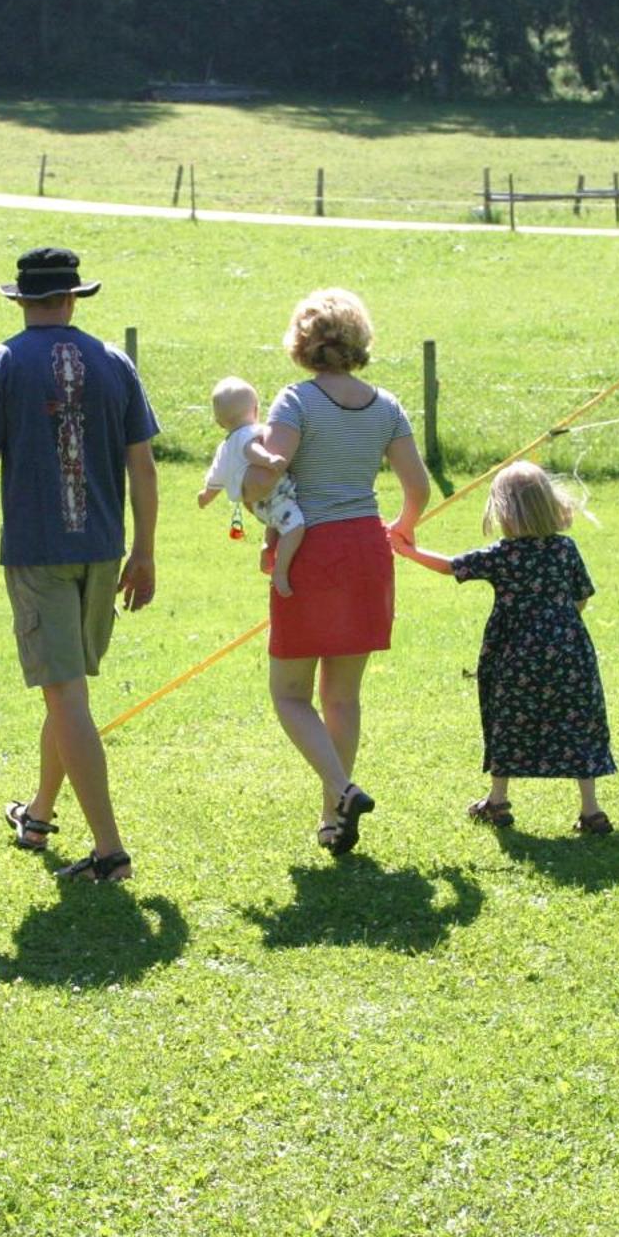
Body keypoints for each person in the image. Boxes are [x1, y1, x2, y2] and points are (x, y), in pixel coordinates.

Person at [0, 247, 158, 883]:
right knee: (67, 688)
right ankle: (40, 813)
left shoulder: (0, 364)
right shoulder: (114, 363)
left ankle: (110, 853)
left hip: (37, 551)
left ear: (22, 301)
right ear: (75, 297)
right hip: (104, 550)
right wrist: (146, 551)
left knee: (66, 693)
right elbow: (143, 465)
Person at [245, 288, 430, 854]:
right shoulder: (387, 406)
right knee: (343, 697)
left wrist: (244, 467)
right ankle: (333, 815)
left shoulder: (295, 402)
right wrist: (401, 526)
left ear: (303, 343)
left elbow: (262, 482)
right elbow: (417, 487)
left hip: (312, 552)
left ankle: (342, 790)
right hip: (366, 550)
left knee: (290, 693)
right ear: (359, 341)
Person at [390, 460, 618, 834]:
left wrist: (408, 550)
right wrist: (560, 623)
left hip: (514, 654)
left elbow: (452, 567)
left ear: (504, 511)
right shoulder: (565, 549)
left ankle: (498, 801)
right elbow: (582, 596)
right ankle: (591, 809)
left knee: (508, 719)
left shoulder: (504, 555)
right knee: (578, 720)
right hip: (570, 652)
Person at [197, 375, 305, 597]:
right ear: (256, 410)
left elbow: (215, 479)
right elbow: (251, 450)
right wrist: (268, 460)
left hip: (257, 505)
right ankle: (281, 572)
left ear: (219, 423)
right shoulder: (252, 431)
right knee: (295, 527)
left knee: (275, 519)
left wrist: (206, 496)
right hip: (275, 495)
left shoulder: (224, 448)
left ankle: (268, 547)